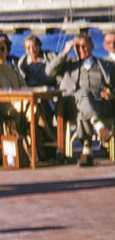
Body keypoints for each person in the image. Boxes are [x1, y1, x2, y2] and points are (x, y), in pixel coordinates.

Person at [46, 33, 114, 167]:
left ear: (93, 46)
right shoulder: (68, 63)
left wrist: (112, 93)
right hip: (72, 105)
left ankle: (87, 151)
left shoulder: (106, 65)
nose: (81, 49)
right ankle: (98, 126)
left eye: (84, 46)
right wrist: (65, 52)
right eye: (77, 47)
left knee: (84, 109)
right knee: (83, 94)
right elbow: (49, 71)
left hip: (99, 104)